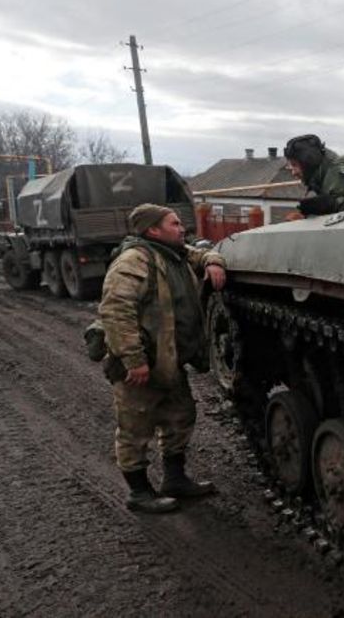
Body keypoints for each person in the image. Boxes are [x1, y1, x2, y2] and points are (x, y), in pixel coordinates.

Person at [99, 203, 227, 514]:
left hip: (168, 361)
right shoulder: (134, 260)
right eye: (173, 224)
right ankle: (139, 493)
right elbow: (116, 311)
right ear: (153, 230)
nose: (181, 228)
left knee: (179, 418)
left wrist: (213, 260)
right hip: (141, 364)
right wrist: (133, 359)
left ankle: (175, 479)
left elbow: (200, 254)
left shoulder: (173, 253)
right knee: (135, 428)